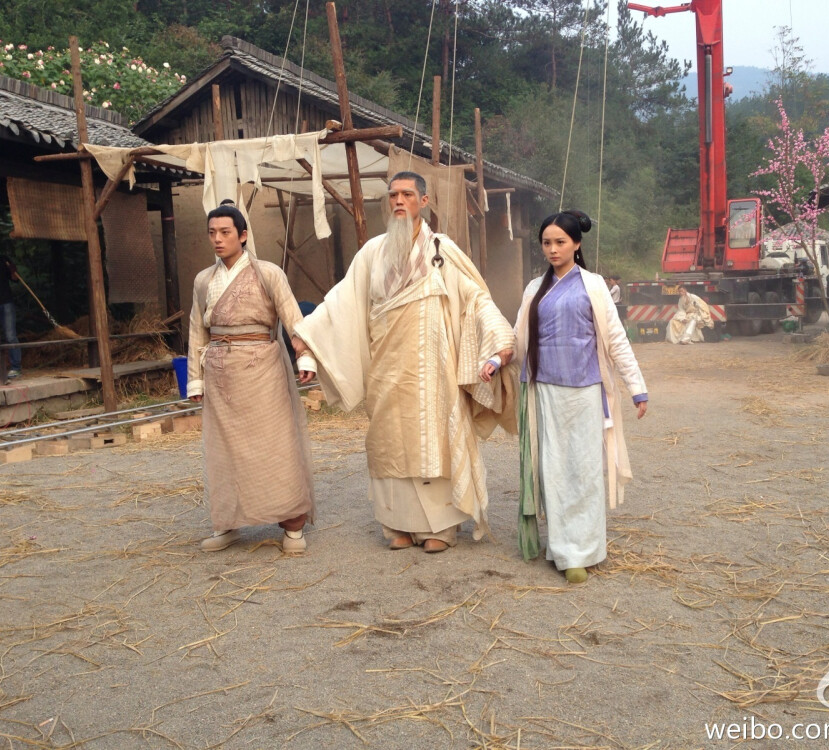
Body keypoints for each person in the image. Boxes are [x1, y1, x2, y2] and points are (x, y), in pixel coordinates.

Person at [291, 171, 516, 554]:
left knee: (433, 439)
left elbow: (477, 299)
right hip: (387, 368)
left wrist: (498, 342)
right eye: (393, 195)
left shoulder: (442, 250)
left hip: (434, 369)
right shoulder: (372, 253)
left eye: (407, 195)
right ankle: (395, 524)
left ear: (423, 202)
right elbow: (341, 302)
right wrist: (306, 337)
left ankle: (440, 529)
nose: (398, 201)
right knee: (390, 440)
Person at [513, 211, 648, 584]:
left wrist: (636, 387)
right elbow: (517, 335)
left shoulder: (594, 285)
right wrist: (496, 358)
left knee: (584, 468)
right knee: (554, 469)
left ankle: (586, 550)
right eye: (546, 243)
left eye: (560, 242)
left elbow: (616, 338)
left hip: (586, 390)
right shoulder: (532, 289)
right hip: (545, 390)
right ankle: (563, 550)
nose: (553, 249)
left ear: (576, 244)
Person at [186, 200, 315, 553]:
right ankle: (229, 523)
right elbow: (198, 330)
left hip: (262, 368)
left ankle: (292, 525)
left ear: (243, 236)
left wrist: (304, 356)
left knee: (276, 444)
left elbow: (293, 317)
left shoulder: (268, 273)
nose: (218, 239)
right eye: (212, 233)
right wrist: (194, 379)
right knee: (224, 449)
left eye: (225, 232)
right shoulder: (203, 280)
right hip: (220, 372)